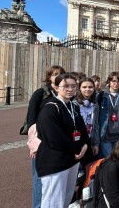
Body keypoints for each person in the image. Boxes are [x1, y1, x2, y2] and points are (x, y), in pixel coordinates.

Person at [36, 73, 89, 208]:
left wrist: (85, 145)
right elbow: (53, 136)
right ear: (56, 88)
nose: (70, 89)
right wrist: (76, 149)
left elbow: (82, 130)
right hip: (55, 162)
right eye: (65, 86)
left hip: (72, 161)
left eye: (73, 86)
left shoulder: (73, 106)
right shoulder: (50, 108)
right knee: (53, 202)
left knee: (65, 199)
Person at [25, 65, 65, 208]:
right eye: (54, 74)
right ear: (49, 77)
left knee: (54, 179)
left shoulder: (64, 93)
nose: (57, 76)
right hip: (40, 142)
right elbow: (31, 121)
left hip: (57, 144)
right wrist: (33, 144)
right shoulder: (40, 93)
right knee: (39, 178)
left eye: (60, 74)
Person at [92, 72, 119, 158]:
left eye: (118, 81)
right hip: (105, 135)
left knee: (118, 160)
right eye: (113, 81)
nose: (116, 84)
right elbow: (96, 118)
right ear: (109, 82)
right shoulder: (101, 95)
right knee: (108, 161)